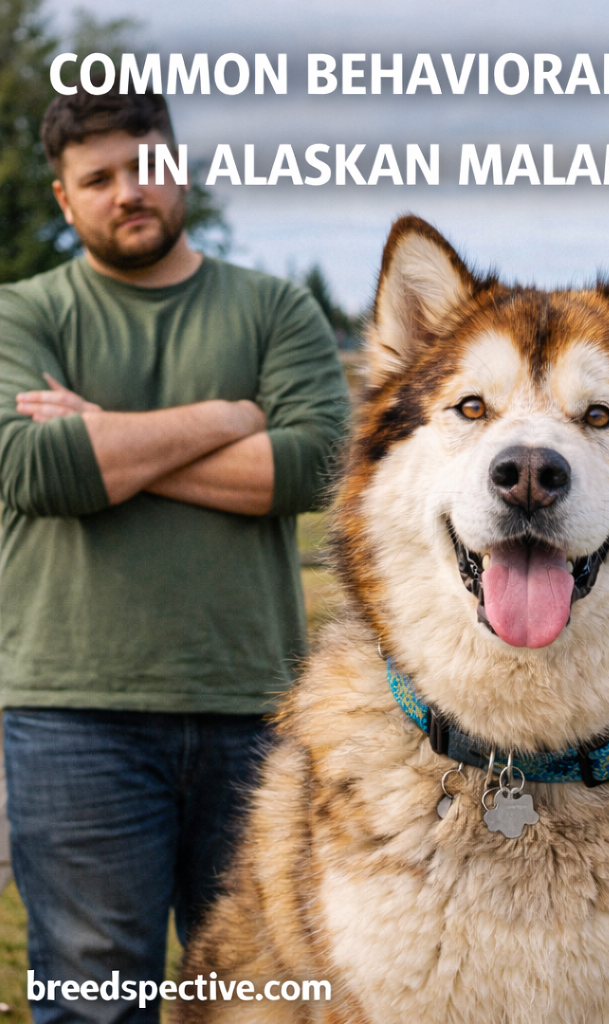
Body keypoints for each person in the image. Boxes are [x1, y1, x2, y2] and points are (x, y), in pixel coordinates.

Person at [0, 91, 347, 1024]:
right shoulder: (21, 313)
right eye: (96, 179)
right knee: (93, 993)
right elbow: (34, 466)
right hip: (75, 715)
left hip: (255, 707)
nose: (127, 193)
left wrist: (105, 441)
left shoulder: (275, 309)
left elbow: (313, 468)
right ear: (66, 202)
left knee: (260, 996)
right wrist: (230, 419)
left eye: (143, 166)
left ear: (178, 168)